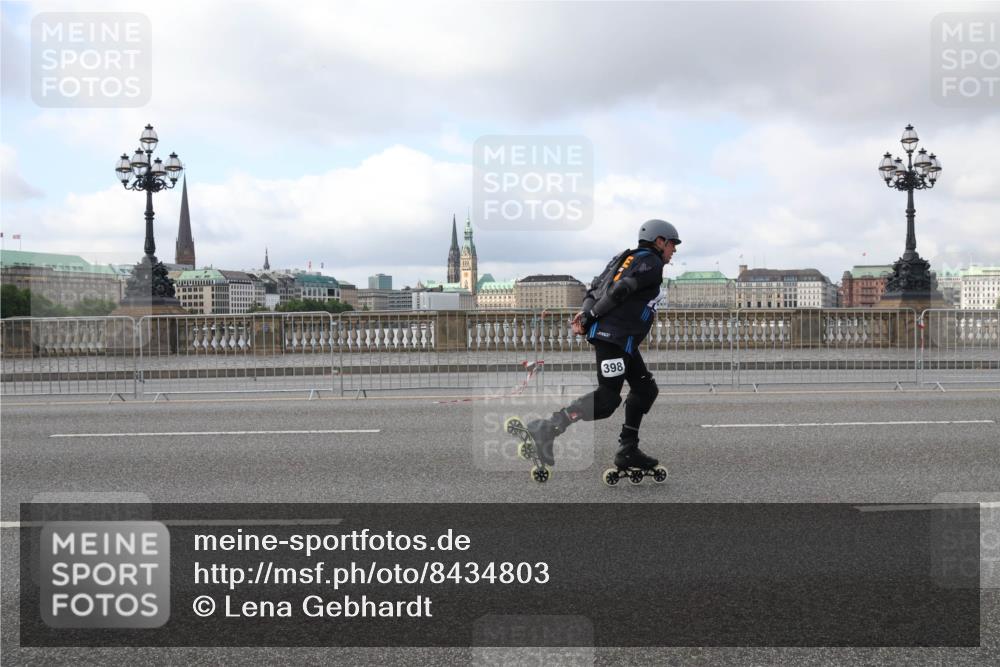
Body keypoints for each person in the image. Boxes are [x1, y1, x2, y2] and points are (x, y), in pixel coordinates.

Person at [526, 219, 680, 471]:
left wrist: (587, 315)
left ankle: (628, 449)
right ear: (659, 241)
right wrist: (590, 317)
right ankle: (548, 428)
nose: (674, 250)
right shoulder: (651, 262)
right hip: (614, 337)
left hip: (623, 340)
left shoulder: (622, 258)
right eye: (672, 244)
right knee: (607, 399)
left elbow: (594, 289)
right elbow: (622, 289)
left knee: (645, 389)